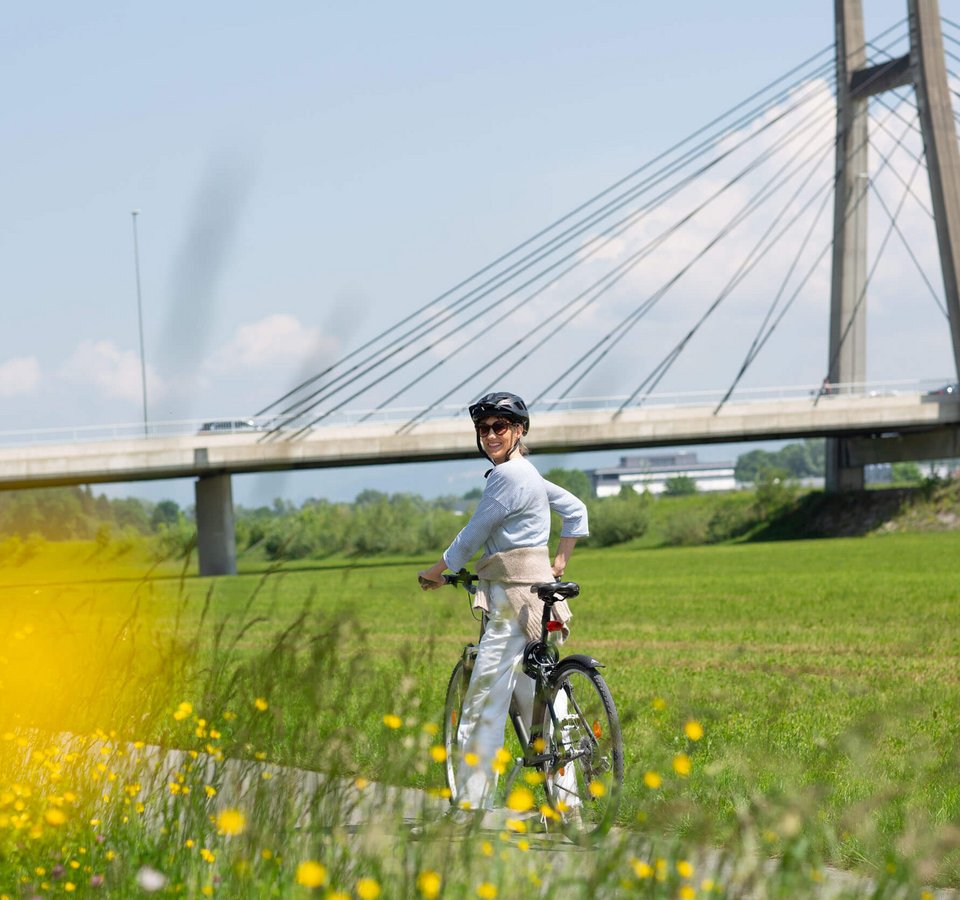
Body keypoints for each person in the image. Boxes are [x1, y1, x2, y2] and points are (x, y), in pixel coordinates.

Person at [418, 391, 589, 822]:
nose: (491, 434)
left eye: (500, 427)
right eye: (484, 429)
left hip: (513, 600)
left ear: (519, 431)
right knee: (543, 701)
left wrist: (437, 571)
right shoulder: (528, 473)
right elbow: (576, 509)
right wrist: (560, 560)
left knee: (481, 705)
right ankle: (567, 806)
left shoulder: (508, 477)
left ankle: (471, 808)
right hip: (541, 597)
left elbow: (472, 536)